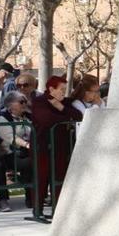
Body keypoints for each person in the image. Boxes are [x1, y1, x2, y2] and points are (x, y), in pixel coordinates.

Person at [30, 76, 82, 216]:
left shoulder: (65, 102)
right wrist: (66, 118)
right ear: (51, 89)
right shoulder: (40, 101)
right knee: (41, 178)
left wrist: (62, 107)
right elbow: (47, 119)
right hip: (42, 145)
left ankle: (58, 210)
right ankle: (37, 209)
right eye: (61, 90)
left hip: (60, 146)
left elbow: (78, 115)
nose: (64, 93)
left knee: (59, 176)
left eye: (65, 90)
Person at [0, 91, 31, 212]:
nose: (25, 104)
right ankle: (3, 200)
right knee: (29, 163)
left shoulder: (27, 116)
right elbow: (10, 137)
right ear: (11, 104)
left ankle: (32, 197)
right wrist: (26, 144)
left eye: (25, 101)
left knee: (34, 161)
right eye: (21, 102)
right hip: (7, 153)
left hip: (24, 152)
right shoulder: (2, 118)